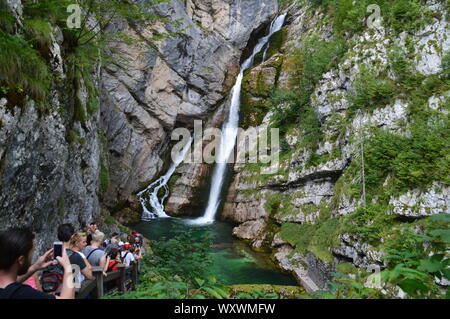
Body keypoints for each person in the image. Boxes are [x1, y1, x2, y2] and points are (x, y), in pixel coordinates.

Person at [0, 227, 74, 299]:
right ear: (21, 260)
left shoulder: (7, 289)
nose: (31, 258)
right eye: (31, 253)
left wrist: (35, 267)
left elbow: (9, 287)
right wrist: (68, 267)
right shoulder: (23, 294)